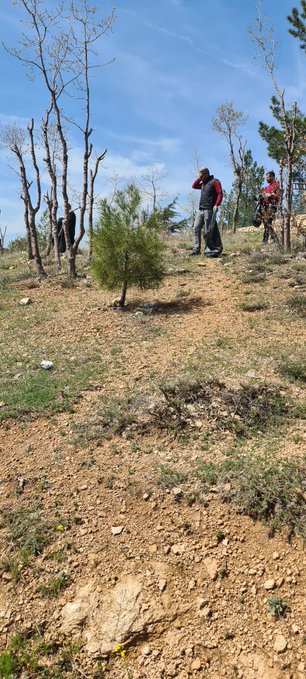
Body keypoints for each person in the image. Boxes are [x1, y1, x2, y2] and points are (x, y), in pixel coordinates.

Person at [190, 167, 223, 257]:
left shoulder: (215, 181)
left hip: (209, 209)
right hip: (200, 210)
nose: (200, 177)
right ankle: (196, 250)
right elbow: (194, 186)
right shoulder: (203, 183)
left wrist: (217, 204)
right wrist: (200, 178)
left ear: (206, 174)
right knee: (196, 228)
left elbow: (220, 193)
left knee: (208, 231)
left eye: (202, 175)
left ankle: (209, 249)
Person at [261, 171, 281, 244]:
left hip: (272, 206)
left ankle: (269, 240)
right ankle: (270, 239)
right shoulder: (267, 187)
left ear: (272, 177)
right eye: (266, 177)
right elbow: (265, 196)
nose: (266, 178)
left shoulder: (277, 185)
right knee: (266, 223)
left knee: (267, 222)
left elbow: (278, 196)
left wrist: (271, 195)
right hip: (265, 207)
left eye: (268, 177)